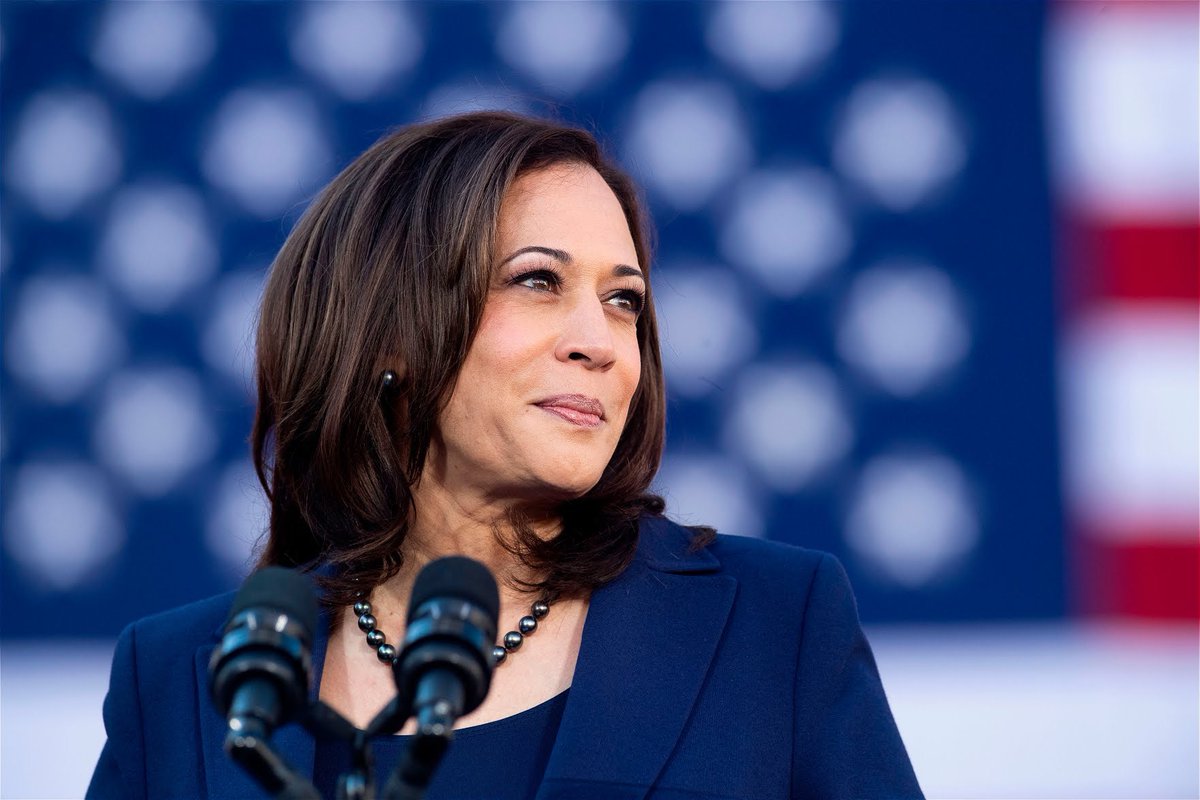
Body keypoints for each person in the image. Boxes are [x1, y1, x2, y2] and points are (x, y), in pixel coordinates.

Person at [87, 111, 922, 800]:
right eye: (537, 281)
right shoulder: (177, 686)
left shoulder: (778, 626)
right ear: (391, 332)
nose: (602, 344)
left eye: (623, 300)